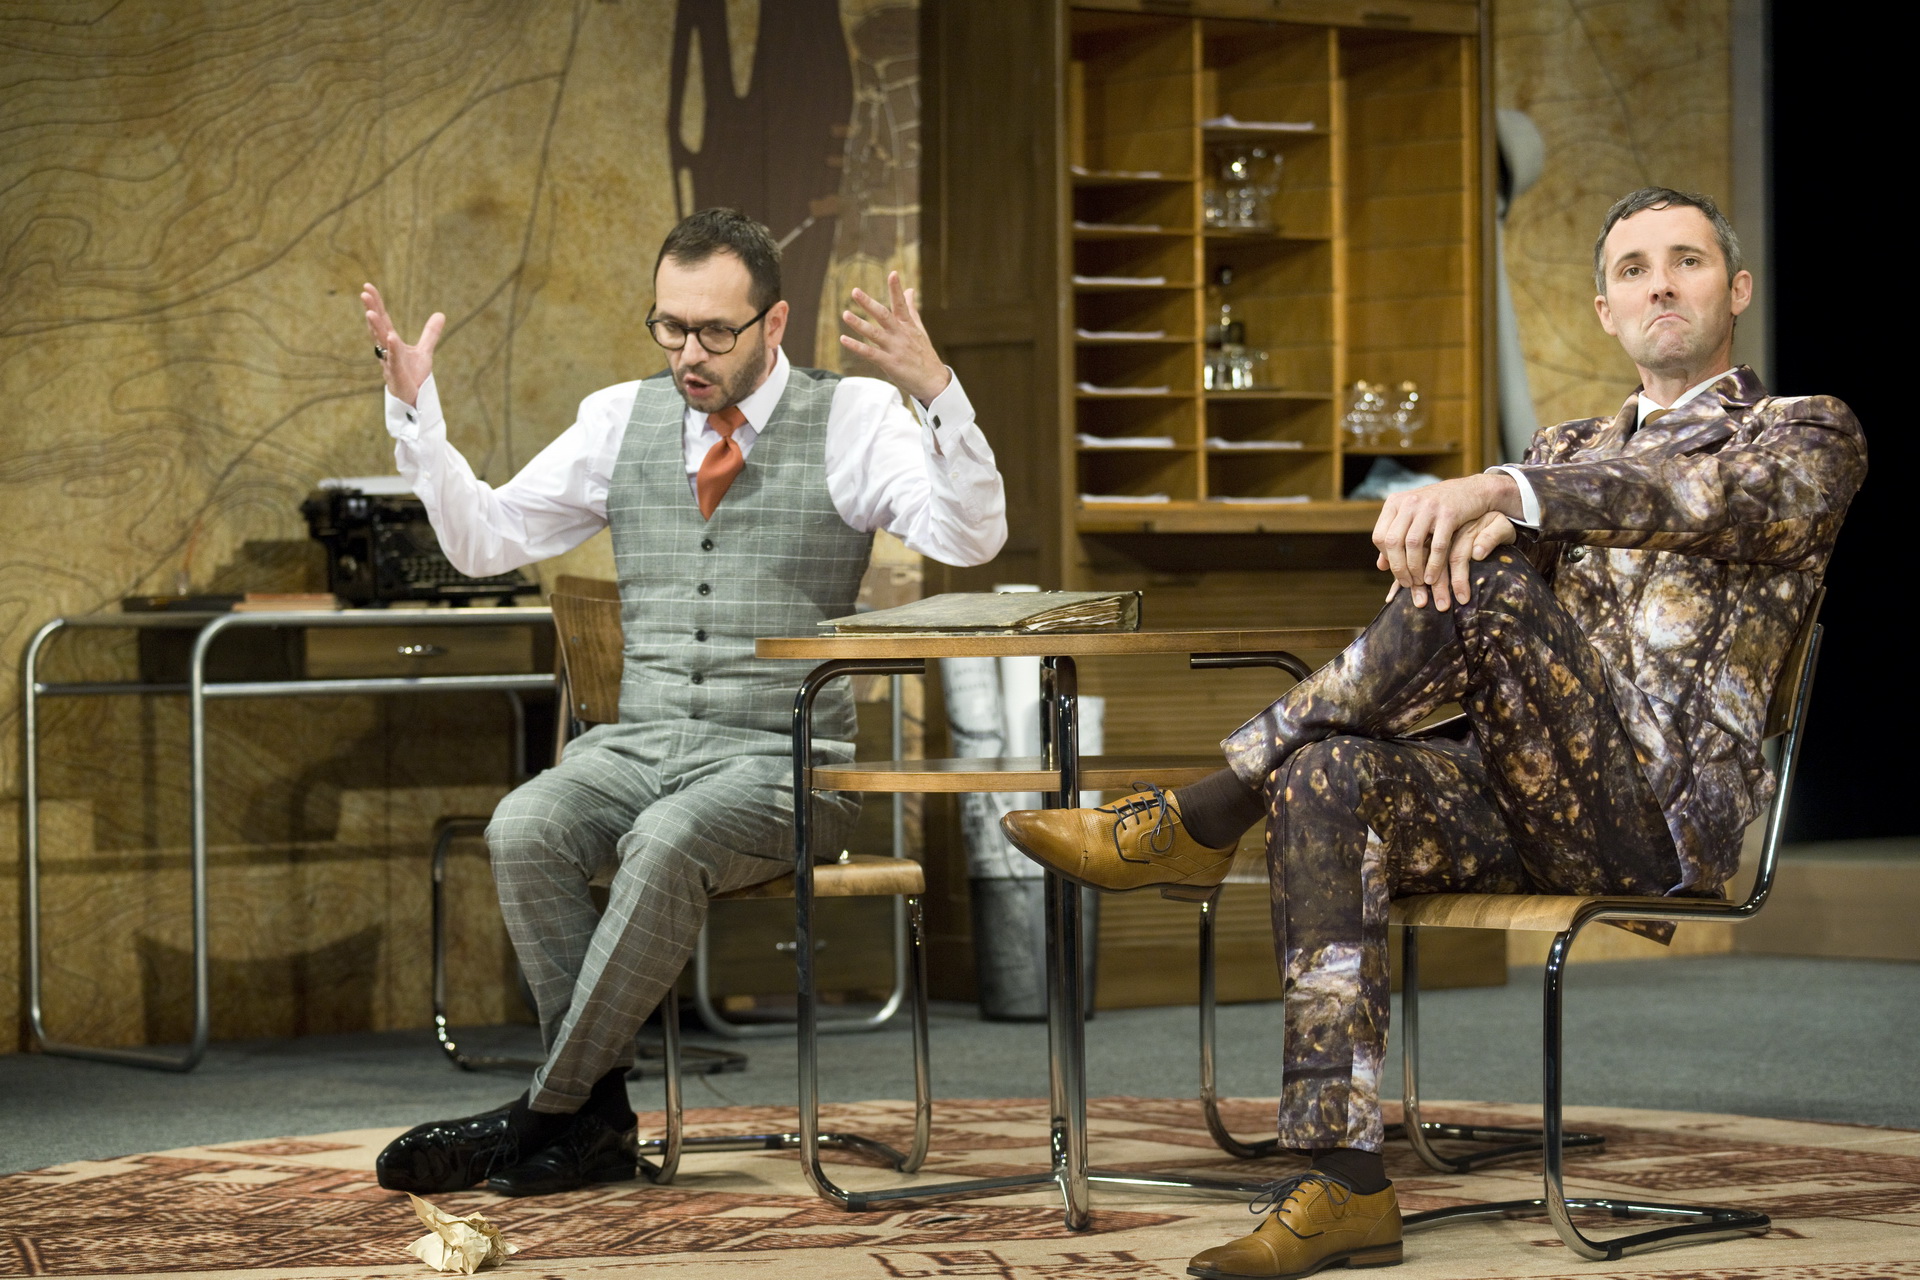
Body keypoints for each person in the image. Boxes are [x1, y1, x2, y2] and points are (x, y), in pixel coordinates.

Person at [1001, 186, 1865, 1279]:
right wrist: (1447, 542)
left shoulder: (1804, 431)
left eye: (1686, 261)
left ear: (1735, 290)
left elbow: (1689, 497)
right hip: (1520, 795)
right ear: (1604, 310)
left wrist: (1500, 492)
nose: (1661, 284)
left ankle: (1206, 811)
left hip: (1650, 828)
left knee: (1489, 587)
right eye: (1634, 268)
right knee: (1329, 772)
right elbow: (1474, 633)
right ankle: (1344, 1182)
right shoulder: (1565, 448)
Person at [360, 208, 1006, 1198]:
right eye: (669, 326)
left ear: (773, 323)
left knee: (666, 838)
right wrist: (419, 415)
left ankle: (543, 1112)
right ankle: (596, 1122)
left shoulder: (855, 416)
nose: (688, 354)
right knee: (526, 823)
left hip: (787, 766)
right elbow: (486, 540)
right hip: (640, 748)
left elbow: (970, 538)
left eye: (714, 331)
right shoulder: (619, 417)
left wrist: (938, 394)